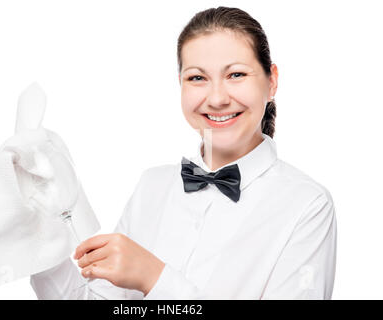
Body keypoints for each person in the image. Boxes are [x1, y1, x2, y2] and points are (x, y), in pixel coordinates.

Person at [30, 6, 337, 300]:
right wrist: (38, 227)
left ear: (272, 82)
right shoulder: (152, 185)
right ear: (181, 85)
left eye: (236, 75)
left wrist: (154, 278)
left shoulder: (307, 204)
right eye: (197, 78)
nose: (216, 98)